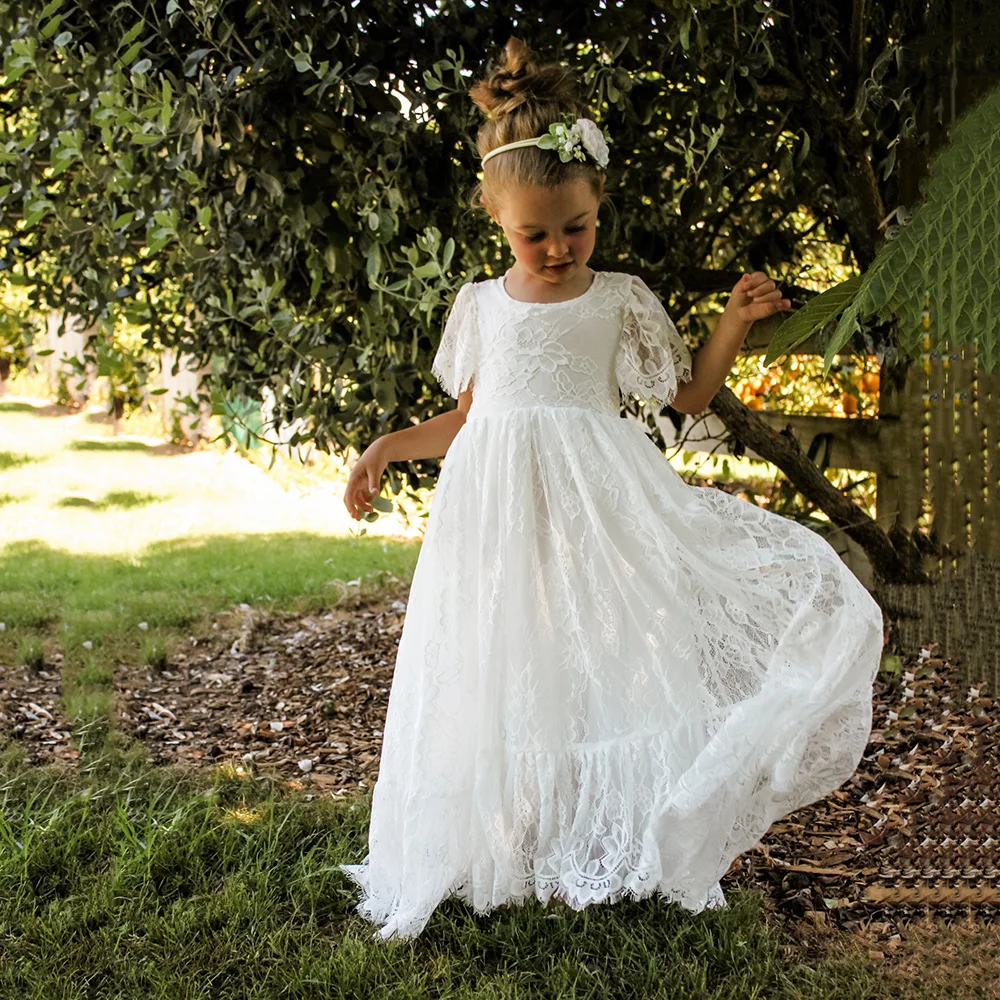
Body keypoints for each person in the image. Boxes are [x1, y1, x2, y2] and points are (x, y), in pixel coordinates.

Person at [339, 37, 884, 942]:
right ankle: (504, 835)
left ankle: (633, 830)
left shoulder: (619, 298)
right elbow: (467, 421)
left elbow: (686, 396)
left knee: (602, 657)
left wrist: (732, 323)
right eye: (534, 233)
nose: (557, 248)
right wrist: (387, 447)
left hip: (598, 505)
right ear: (494, 217)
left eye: (575, 228)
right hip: (497, 516)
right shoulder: (479, 306)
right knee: (504, 660)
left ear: (598, 209)